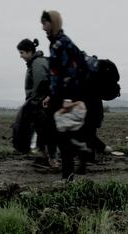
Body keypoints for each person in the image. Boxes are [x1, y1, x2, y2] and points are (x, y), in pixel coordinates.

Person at [40, 10, 93, 180]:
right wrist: (51, 94)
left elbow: (64, 72)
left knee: (59, 135)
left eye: (45, 23)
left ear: (53, 23)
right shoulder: (63, 41)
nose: (43, 28)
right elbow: (60, 73)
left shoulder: (59, 44)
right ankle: (71, 167)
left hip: (65, 95)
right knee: (61, 133)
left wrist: (66, 99)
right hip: (63, 94)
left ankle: (72, 166)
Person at [16, 38, 59, 168]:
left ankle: (52, 159)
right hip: (40, 103)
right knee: (42, 130)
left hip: (41, 104)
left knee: (47, 131)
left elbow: (41, 84)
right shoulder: (35, 62)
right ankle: (43, 156)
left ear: (30, 52)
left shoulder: (37, 64)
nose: (21, 56)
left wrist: (32, 103)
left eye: (22, 52)